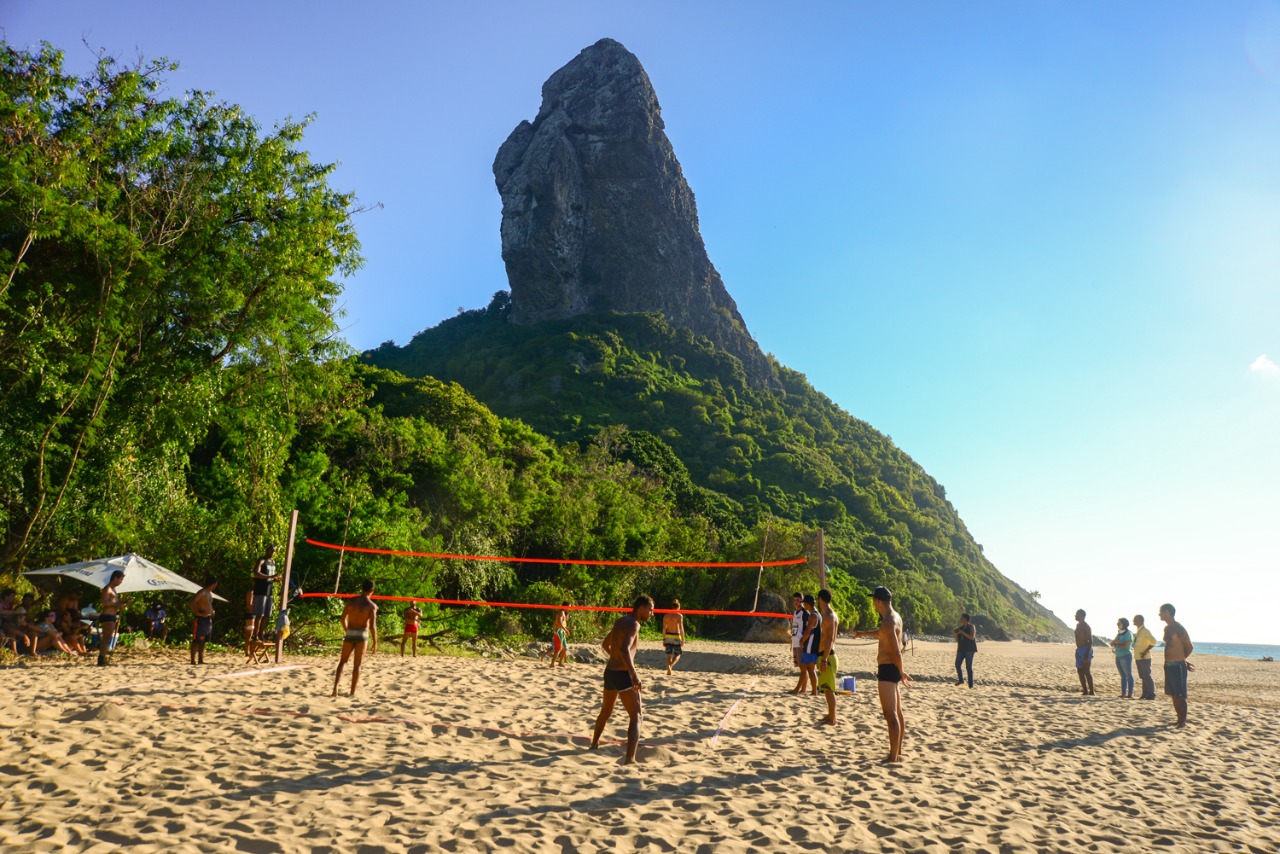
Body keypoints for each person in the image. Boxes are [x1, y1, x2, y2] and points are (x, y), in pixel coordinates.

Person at [589, 595, 653, 764]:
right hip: (624, 675)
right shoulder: (634, 624)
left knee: (606, 711)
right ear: (640, 608)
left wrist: (616, 658)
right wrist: (633, 673)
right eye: (650, 609)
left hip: (610, 672)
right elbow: (625, 649)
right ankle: (630, 759)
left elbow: (605, 644)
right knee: (636, 716)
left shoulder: (620, 621)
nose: (652, 613)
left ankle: (594, 744)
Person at [853, 586, 913, 763]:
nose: (873, 603)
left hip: (888, 668)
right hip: (891, 668)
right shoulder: (894, 618)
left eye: (873, 600)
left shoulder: (888, 621)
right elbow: (883, 635)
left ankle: (893, 756)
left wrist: (901, 672)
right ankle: (898, 752)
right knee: (897, 713)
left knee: (890, 714)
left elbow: (896, 652)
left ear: (877, 601)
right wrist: (863, 634)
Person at [332, 579, 378, 698]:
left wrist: (347, 630)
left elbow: (342, 619)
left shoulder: (351, 601)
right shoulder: (372, 606)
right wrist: (375, 641)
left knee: (343, 661)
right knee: (357, 665)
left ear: (362, 588)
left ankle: (335, 688)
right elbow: (372, 626)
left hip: (351, 632)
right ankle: (352, 692)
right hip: (362, 634)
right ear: (372, 590)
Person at [1159, 603, 1193, 727]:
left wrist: (1182, 660)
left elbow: (1189, 646)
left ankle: (1182, 721)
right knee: (1174, 695)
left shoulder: (1179, 628)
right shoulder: (1167, 628)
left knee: (1180, 695)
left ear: (1168, 612)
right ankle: (1179, 719)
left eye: (1161, 612)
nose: (1159, 614)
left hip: (1178, 665)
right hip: (1168, 665)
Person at [814, 589, 841, 725]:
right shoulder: (828, 614)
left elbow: (830, 639)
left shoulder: (830, 616)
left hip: (828, 656)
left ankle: (832, 718)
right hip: (825, 655)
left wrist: (824, 659)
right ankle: (830, 715)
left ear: (820, 599)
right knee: (826, 688)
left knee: (829, 690)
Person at [250, 544, 279, 642]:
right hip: (260, 591)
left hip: (269, 591)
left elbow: (271, 576)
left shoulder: (273, 562)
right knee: (259, 614)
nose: (272, 552)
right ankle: (255, 636)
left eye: (274, 551)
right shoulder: (262, 560)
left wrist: (275, 579)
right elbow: (256, 573)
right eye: (271, 550)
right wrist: (270, 577)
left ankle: (261, 635)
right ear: (267, 550)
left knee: (266, 615)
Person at [794, 594, 819, 696]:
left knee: (807, 669)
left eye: (802, 602)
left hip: (809, 645)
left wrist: (802, 641)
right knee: (806, 668)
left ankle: (806, 690)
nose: (802, 604)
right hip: (807, 643)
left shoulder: (811, 615)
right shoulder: (815, 614)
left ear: (807, 604)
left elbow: (808, 631)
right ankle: (811, 691)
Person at [98, 570, 124, 666]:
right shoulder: (107, 589)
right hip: (107, 615)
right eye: (120, 579)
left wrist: (122, 604)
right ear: (115, 578)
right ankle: (101, 658)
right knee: (106, 638)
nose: (121, 581)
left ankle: (103, 657)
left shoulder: (113, 589)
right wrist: (117, 603)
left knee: (108, 638)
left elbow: (114, 604)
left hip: (112, 615)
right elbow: (104, 602)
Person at [189, 577, 218, 665]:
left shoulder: (210, 593)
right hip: (200, 619)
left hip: (208, 619)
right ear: (213, 584)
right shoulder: (202, 592)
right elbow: (191, 603)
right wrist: (198, 611)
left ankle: (200, 659)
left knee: (204, 640)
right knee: (196, 640)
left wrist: (212, 612)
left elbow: (208, 605)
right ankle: (193, 660)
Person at [1132, 614, 1158, 700]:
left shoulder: (1145, 631)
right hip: (1138, 657)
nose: (1133, 621)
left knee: (1147, 676)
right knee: (1143, 676)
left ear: (1140, 621)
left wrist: (1145, 652)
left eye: (1135, 620)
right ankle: (1145, 694)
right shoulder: (1139, 631)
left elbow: (1153, 642)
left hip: (1145, 658)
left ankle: (1151, 694)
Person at [1111, 617, 1134, 698]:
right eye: (1117, 623)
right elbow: (1113, 642)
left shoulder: (1128, 633)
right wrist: (1114, 643)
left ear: (1124, 624)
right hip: (1118, 655)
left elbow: (1126, 646)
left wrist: (1117, 644)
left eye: (1119, 623)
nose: (1117, 625)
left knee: (1128, 674)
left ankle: (1130, 693)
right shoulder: (1119, 633)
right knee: (1122, 675)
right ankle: (1123, 693)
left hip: (1125, 656)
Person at [1074, 609, 1095, 695]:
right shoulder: (1078, 625)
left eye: (1077, 615)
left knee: (1086, 671)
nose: (1075, 616)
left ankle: (1092, 691)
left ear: (1081, 616)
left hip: (1086, 649)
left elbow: (1090, 640)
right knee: (1080, 671)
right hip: (1079, 649)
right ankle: (1085, 690)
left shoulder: (1086, 626)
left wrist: (1087, 653)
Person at [953, 613, 977, 688]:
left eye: (962, 618)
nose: (960, 619)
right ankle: (961, 680)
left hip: (969, 649)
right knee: (957, 664)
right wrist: (956, 634)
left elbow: (972, 637)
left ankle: (970, 685)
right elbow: (957, 640)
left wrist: (962, 632)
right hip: (961, 648)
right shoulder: (960, 628)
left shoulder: (971, 627)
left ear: (966, 619)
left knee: (968, 667)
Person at [662, 600, 684, 674]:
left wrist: (663, 639)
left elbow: (664, 628)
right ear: (678, 607)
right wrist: (683, 639)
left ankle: (669, 667)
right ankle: (670, 666)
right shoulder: (679, 615)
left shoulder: (666, 616)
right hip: (676, 636)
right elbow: (681, 628)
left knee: (669, 654)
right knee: (678, 654)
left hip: (668, 635)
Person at [550, 603, 570, 667]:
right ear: (565, 606)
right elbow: (560, 622)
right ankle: (552, 664)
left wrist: (565, 630)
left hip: (561, 631)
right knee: (559, 648)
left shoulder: (563, 612)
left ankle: (560, 663)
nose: (569, 608)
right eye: (569, 607)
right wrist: (566, 630)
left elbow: (562, 623)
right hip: (558, 631)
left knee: (565, 648)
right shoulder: (561, 612)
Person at [789, 591, 804, 675]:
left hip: (801, 642)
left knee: (803, 667)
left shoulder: (804, 612)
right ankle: (802, 686)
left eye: (798, 600)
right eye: (794, 600)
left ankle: (803, 687)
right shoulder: (795, 612)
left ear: (802, 600)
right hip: (795, 642)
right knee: (798, 665)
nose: (796, 602)